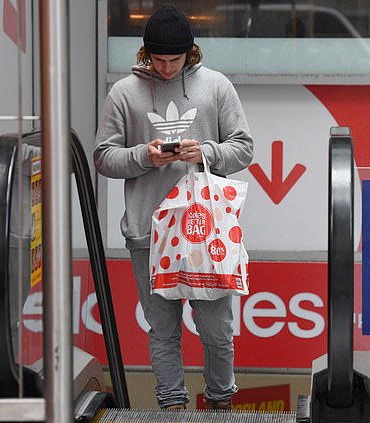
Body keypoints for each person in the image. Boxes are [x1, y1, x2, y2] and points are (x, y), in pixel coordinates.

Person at [93, 3, 254, 411]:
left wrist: (207, 151)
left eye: (175, 60)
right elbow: (102, 157)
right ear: (145, 53)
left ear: (191, 52)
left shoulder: (216, 86)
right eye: (159, 59)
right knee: (162, 331)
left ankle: (221, 406)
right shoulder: (123, 93)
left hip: (207, 230)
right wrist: (145, 156)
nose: (166, 68)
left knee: (217, 331)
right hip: (148, 232)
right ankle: (172, 409)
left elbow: (244, 148)